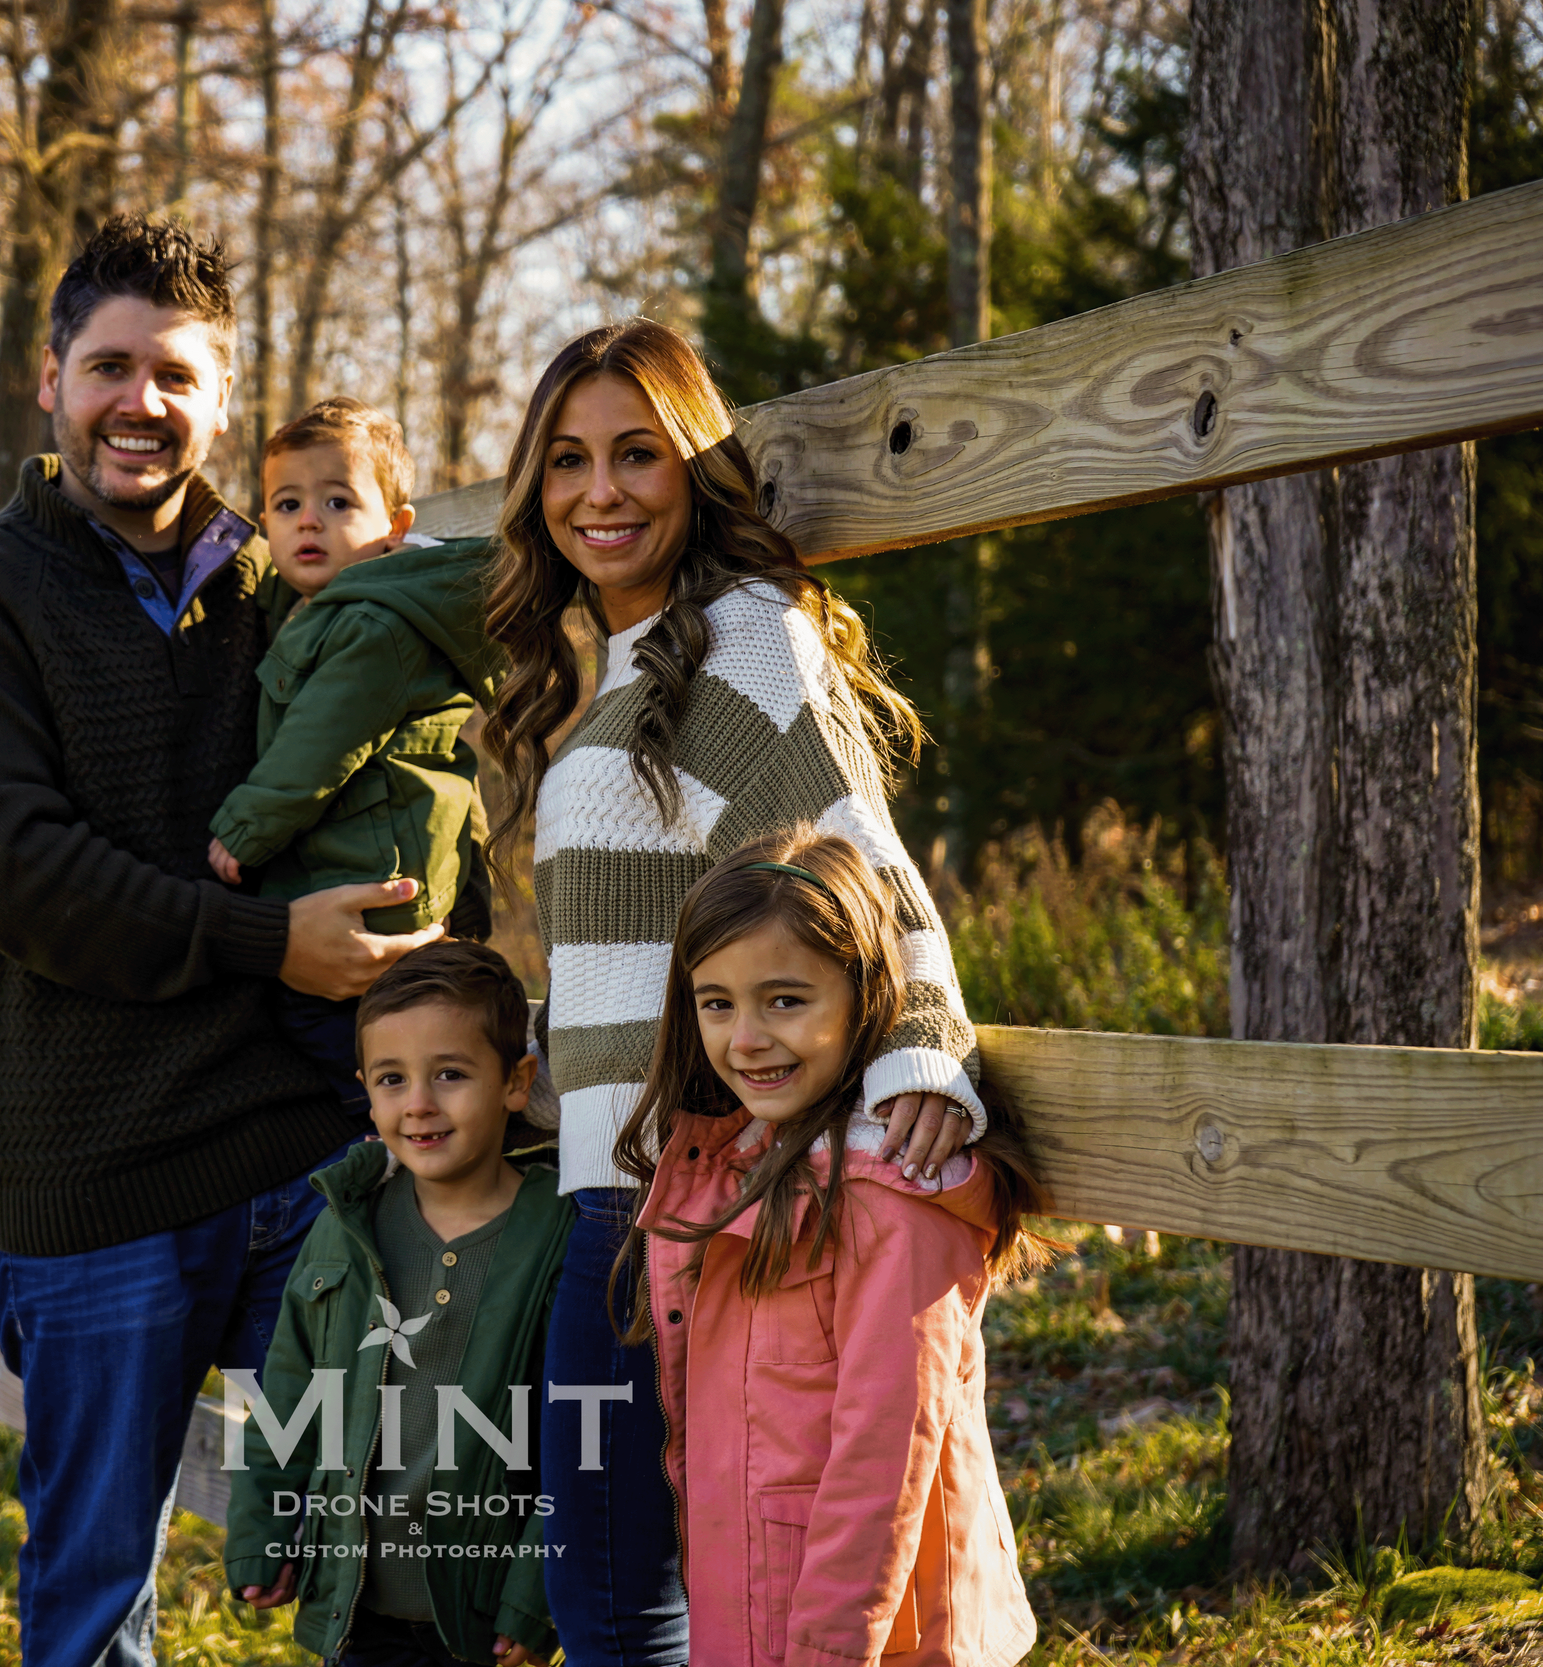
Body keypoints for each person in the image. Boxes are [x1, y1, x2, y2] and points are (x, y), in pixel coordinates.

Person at [0, 214, 441, 1667]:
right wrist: (268, 943)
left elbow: (420, 705)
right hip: (98, 1176)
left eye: (176, 374)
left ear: (222, 392)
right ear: (52, 381)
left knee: (411, 1527)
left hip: (300, 1156)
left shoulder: (286, 587)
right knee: (93, 1595)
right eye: (109, 366)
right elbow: (21, 875)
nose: (141, 402)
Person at [478, 318, 987, 1664]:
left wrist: (923, 1055)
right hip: (600, 1192)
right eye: (569, 460)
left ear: (696, 466)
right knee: (629, 1597)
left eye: (638, 453)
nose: (601, 491)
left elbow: (863, 867)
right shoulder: (624, 661)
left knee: (618, 1607)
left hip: (669, 1208)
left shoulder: (745, 643)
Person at [616, 828, 1044, 1667]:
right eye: (717, 1002)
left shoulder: (896, 1198)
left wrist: (825, 1651)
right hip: (757, 1607)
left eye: (785, 1000)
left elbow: (884, 1458)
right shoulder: (741, 1163)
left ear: (865, 998)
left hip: (870, 1635)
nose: (745, 1037)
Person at [224, 941, 570, 1667]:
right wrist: (262, 1531)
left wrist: (535, 1595)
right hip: (360, 1608)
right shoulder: (347, 1227)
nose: (418, 1102)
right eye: (392, 1078)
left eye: (450, 1073)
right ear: (367, 1090)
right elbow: (288, 1396)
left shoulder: (558, 1234)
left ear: (516, 1081)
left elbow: (576, 1443)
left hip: (483, 1617)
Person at [206, 397, 502, 1111]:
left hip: (378, 891)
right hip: (367, 867)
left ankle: (389, 1137)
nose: (309, 519)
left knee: (340, 1034)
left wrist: (241, 829)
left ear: (394, 529)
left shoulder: (375, 626)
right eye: (286, 504)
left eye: (339, 501)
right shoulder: (320, 609)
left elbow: (318, 743)